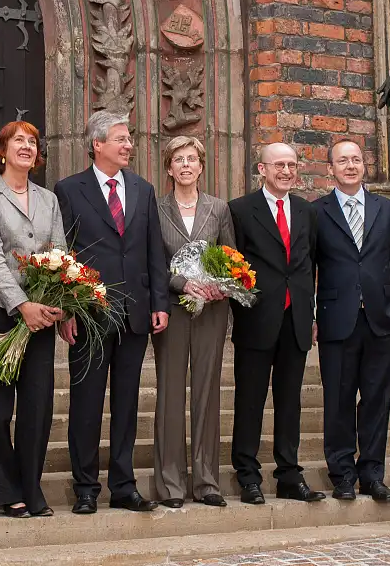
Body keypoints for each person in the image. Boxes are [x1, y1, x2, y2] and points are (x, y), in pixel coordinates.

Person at [55, 111, 170, 515]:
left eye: (129, 139)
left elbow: (153, 249)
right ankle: (86, 486)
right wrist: (67, 310)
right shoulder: (69, 189)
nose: (128, 145)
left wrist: (159, 303)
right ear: (97, 144)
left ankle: (123, 485)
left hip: (136, 313)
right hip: (89, 312)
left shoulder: (143, 189)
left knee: (127, 402)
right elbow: (63, 253)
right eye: (120, 139)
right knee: (86, 403)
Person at [0, 121, 65, 518]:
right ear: (3, 150)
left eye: (32, 142)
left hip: (41, 315)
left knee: (37, 406)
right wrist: (21, 304)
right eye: (19, 141)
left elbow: (59, 250)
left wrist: (56, 299)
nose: (27, 147)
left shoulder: (49, 199)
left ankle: (31, 486)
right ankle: (7, 490)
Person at [312, 139, 390, 502]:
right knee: (338, 399)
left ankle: (372, 474)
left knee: (376, 400)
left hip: (383, 320)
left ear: (364, 166)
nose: (350, 166)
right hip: (337, 320)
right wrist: (311, 315)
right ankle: (342, 474)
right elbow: (308, 269)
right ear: (331, 169)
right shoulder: (317, 212)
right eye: (342, 161)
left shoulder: (387, 210)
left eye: (356, 160)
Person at [227, 143, 326, 505]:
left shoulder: (306, 211)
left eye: (291, 165)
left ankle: (288, 475)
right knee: (249, 401)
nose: (286, 171)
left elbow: (307, 265)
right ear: (262, 169)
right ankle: (248, 476)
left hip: (296, 319)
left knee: (290, 402)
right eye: (279, 165)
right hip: (257, 318)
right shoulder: (239, 210)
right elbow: (232, 264)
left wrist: (310, 314)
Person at [152, 136, 234, 509]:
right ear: (169, 168)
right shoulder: (155, 208)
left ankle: (206, 481)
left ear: (201, 167)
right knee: (170, 395)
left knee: (207, 393)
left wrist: (222, 285)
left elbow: (232, 257)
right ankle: (170, 484)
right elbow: (151, 261)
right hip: (171, 308)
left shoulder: (218, 209)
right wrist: (183, 282)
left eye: (192, 159)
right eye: (178, 160)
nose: (186, 165)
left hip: (211, 312)